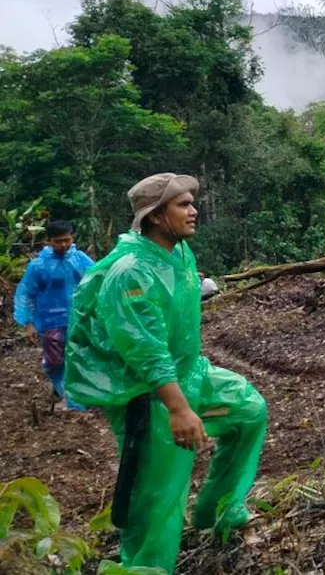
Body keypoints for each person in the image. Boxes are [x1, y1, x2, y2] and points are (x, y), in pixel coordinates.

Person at [64, 173, 267, 574]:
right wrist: (178, 408)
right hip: (150, 396)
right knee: (157, 498)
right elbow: (145, 349)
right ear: (156, 216)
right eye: (183, 205)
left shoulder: (180, 253)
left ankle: (219, 511)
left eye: (192, 202)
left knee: (247, 410)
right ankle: (146, 567)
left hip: (192, 374)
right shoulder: (130, 273)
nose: (194, 211)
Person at [13, 219, 95, 410]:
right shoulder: (38, 266)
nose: (63, 245)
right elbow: (26, 294)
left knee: (80, 357)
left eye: (67, 240)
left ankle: (77, 398)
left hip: (79, 319)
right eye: (58, 241)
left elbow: (97, 282)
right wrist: (28, 323)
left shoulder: (80, 259)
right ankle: (63, 391)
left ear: (72, 238)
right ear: (48, 241)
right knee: (54, 361)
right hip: (51, 322)